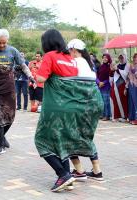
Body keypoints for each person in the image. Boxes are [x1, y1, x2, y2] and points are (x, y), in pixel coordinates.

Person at [34, 29, 103, 192]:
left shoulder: (50, 56)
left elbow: (41, 79)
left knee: (41, 141)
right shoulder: (71, 58)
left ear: (47, 43)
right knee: (61, 141)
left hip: (56, 107)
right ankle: (66, 177)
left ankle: (63, 174)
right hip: (74, 107)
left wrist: (36, 73)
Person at [0, 29, 34, 155]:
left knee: (10, 116)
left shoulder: (13, 51)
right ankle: (1, 145)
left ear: (7, 41)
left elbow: (23, 66)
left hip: (8, 86)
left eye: (4, 43)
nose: (1, 45)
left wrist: (31, 76)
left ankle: (1, 136)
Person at [67, 39, 104, 182]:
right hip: (95, 102)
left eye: (69, 51)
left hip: (82, 103)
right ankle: (97, 171)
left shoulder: (75, 62)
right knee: (87, 135)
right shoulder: (89, 64)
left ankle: (79, 170)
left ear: (74, 50)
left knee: (66, 135)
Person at [110, 54, 129, 122]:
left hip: (123, 85)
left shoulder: (127, 65)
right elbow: (112, 75)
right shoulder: (117, 65)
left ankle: (124, 116)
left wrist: (117, 70)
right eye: (120, 58)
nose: (121, 59)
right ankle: (116, 116)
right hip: (116, 85)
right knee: (115, 101)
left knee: (124, 101)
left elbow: (125, 74)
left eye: (122, 58)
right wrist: (112, 70)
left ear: (125, 58)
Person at [96, 54, 112, 121]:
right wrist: (99, 82)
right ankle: (102, 114)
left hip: (106, 86)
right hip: (100, 86)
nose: (105, 59)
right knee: (101, 101)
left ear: (108, 59)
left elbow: (110, 78)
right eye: (103, 57)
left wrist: (103, 83)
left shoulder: (109, 67)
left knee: (106, 101)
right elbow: (97, 76)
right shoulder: (100, 66)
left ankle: (107, 115)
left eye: (106, 58)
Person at [125, 53, 137, 125]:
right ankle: (131, 118)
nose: (136, 59)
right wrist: (126, 88)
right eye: (135, 57)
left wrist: (135, 72)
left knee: (136, 101)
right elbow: (127, 77)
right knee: (131, 102)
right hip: (131, 86)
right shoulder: (130, 66)